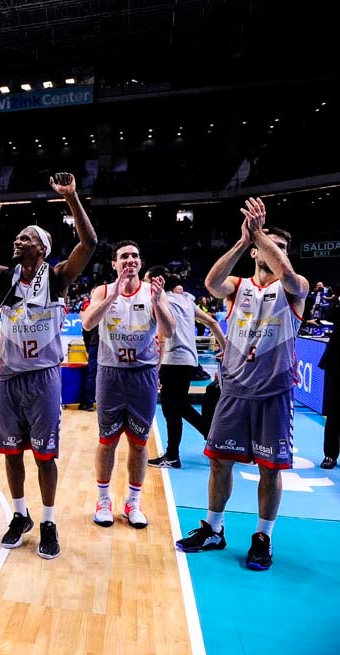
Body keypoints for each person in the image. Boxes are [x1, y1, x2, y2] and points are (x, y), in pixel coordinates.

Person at [0, 174, 97, 559]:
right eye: (17, 237)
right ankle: (21, 515)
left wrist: (71, 198)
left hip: (43, 376)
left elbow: (89, 244)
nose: (18, 241)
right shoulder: (4, 278)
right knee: (12, 452)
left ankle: (48, 521)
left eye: (26, 238)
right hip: (9, 377)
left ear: (42, 248)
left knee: (44, 455)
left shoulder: (57, 277)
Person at [176, 198, 308, 571]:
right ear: (254, 252)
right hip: (234, 391)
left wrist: (260, 233)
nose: (276, 252)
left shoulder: (295, 287)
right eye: (269, 245)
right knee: (219, 463)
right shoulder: (238, 287)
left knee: (270, 469)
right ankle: (213, 529)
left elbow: (287, 274)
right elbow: (211, 283)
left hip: (274, 394)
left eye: (282, 248)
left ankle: (263, 537)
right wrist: (243, 239)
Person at [81, 240, 173, 531]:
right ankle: (103, 500)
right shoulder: (103, 291)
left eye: (135, 255)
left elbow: (169, 331)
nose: (130, 260)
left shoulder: (153, 292)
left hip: (142, 375)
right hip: (111, 374)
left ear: (140, 262)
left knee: (138, 442)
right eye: (124, 256)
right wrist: (112, 296)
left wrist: (158, 302)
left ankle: (133, 502)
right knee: (107, 441)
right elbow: (87, 323)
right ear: (114, 264)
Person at [145, 266, 227, 469]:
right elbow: (213, 323)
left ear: (157, 282)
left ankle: (177, 453)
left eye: (146, 281)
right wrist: (226, 349)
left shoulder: (160, 300)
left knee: (172, 409)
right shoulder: (187, 301)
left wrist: (156, 368)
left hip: (173, 360)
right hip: (190, 360)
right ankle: (207, 439)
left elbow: (163, 337)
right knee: (178, 406)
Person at [320, 297, 340, 469]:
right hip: (337, 363)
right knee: (334, 412)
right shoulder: (337, 302)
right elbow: (329, 315)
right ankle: (330, 455)